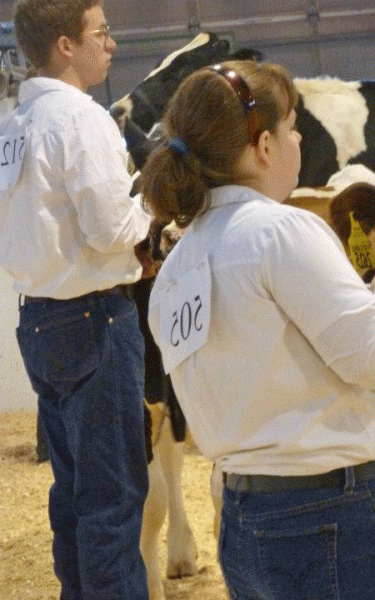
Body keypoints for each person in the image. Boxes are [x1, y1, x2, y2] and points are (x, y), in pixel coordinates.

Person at [141, 60, 375, 600]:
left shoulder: (174, 270)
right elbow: (374, 358)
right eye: (293, 126)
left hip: (245, 519)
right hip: (338, 514)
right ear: (265, 146)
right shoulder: (282, 229)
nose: (299, 139)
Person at [0, 0, 152, 598]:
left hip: (39, 321)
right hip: (95, 319)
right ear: (65, 45)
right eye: (102, 33)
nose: (110, 44)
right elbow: (112, 230)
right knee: (112, 501)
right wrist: (152, 208)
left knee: (72, 495)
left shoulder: (12, 126)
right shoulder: (82, 120)